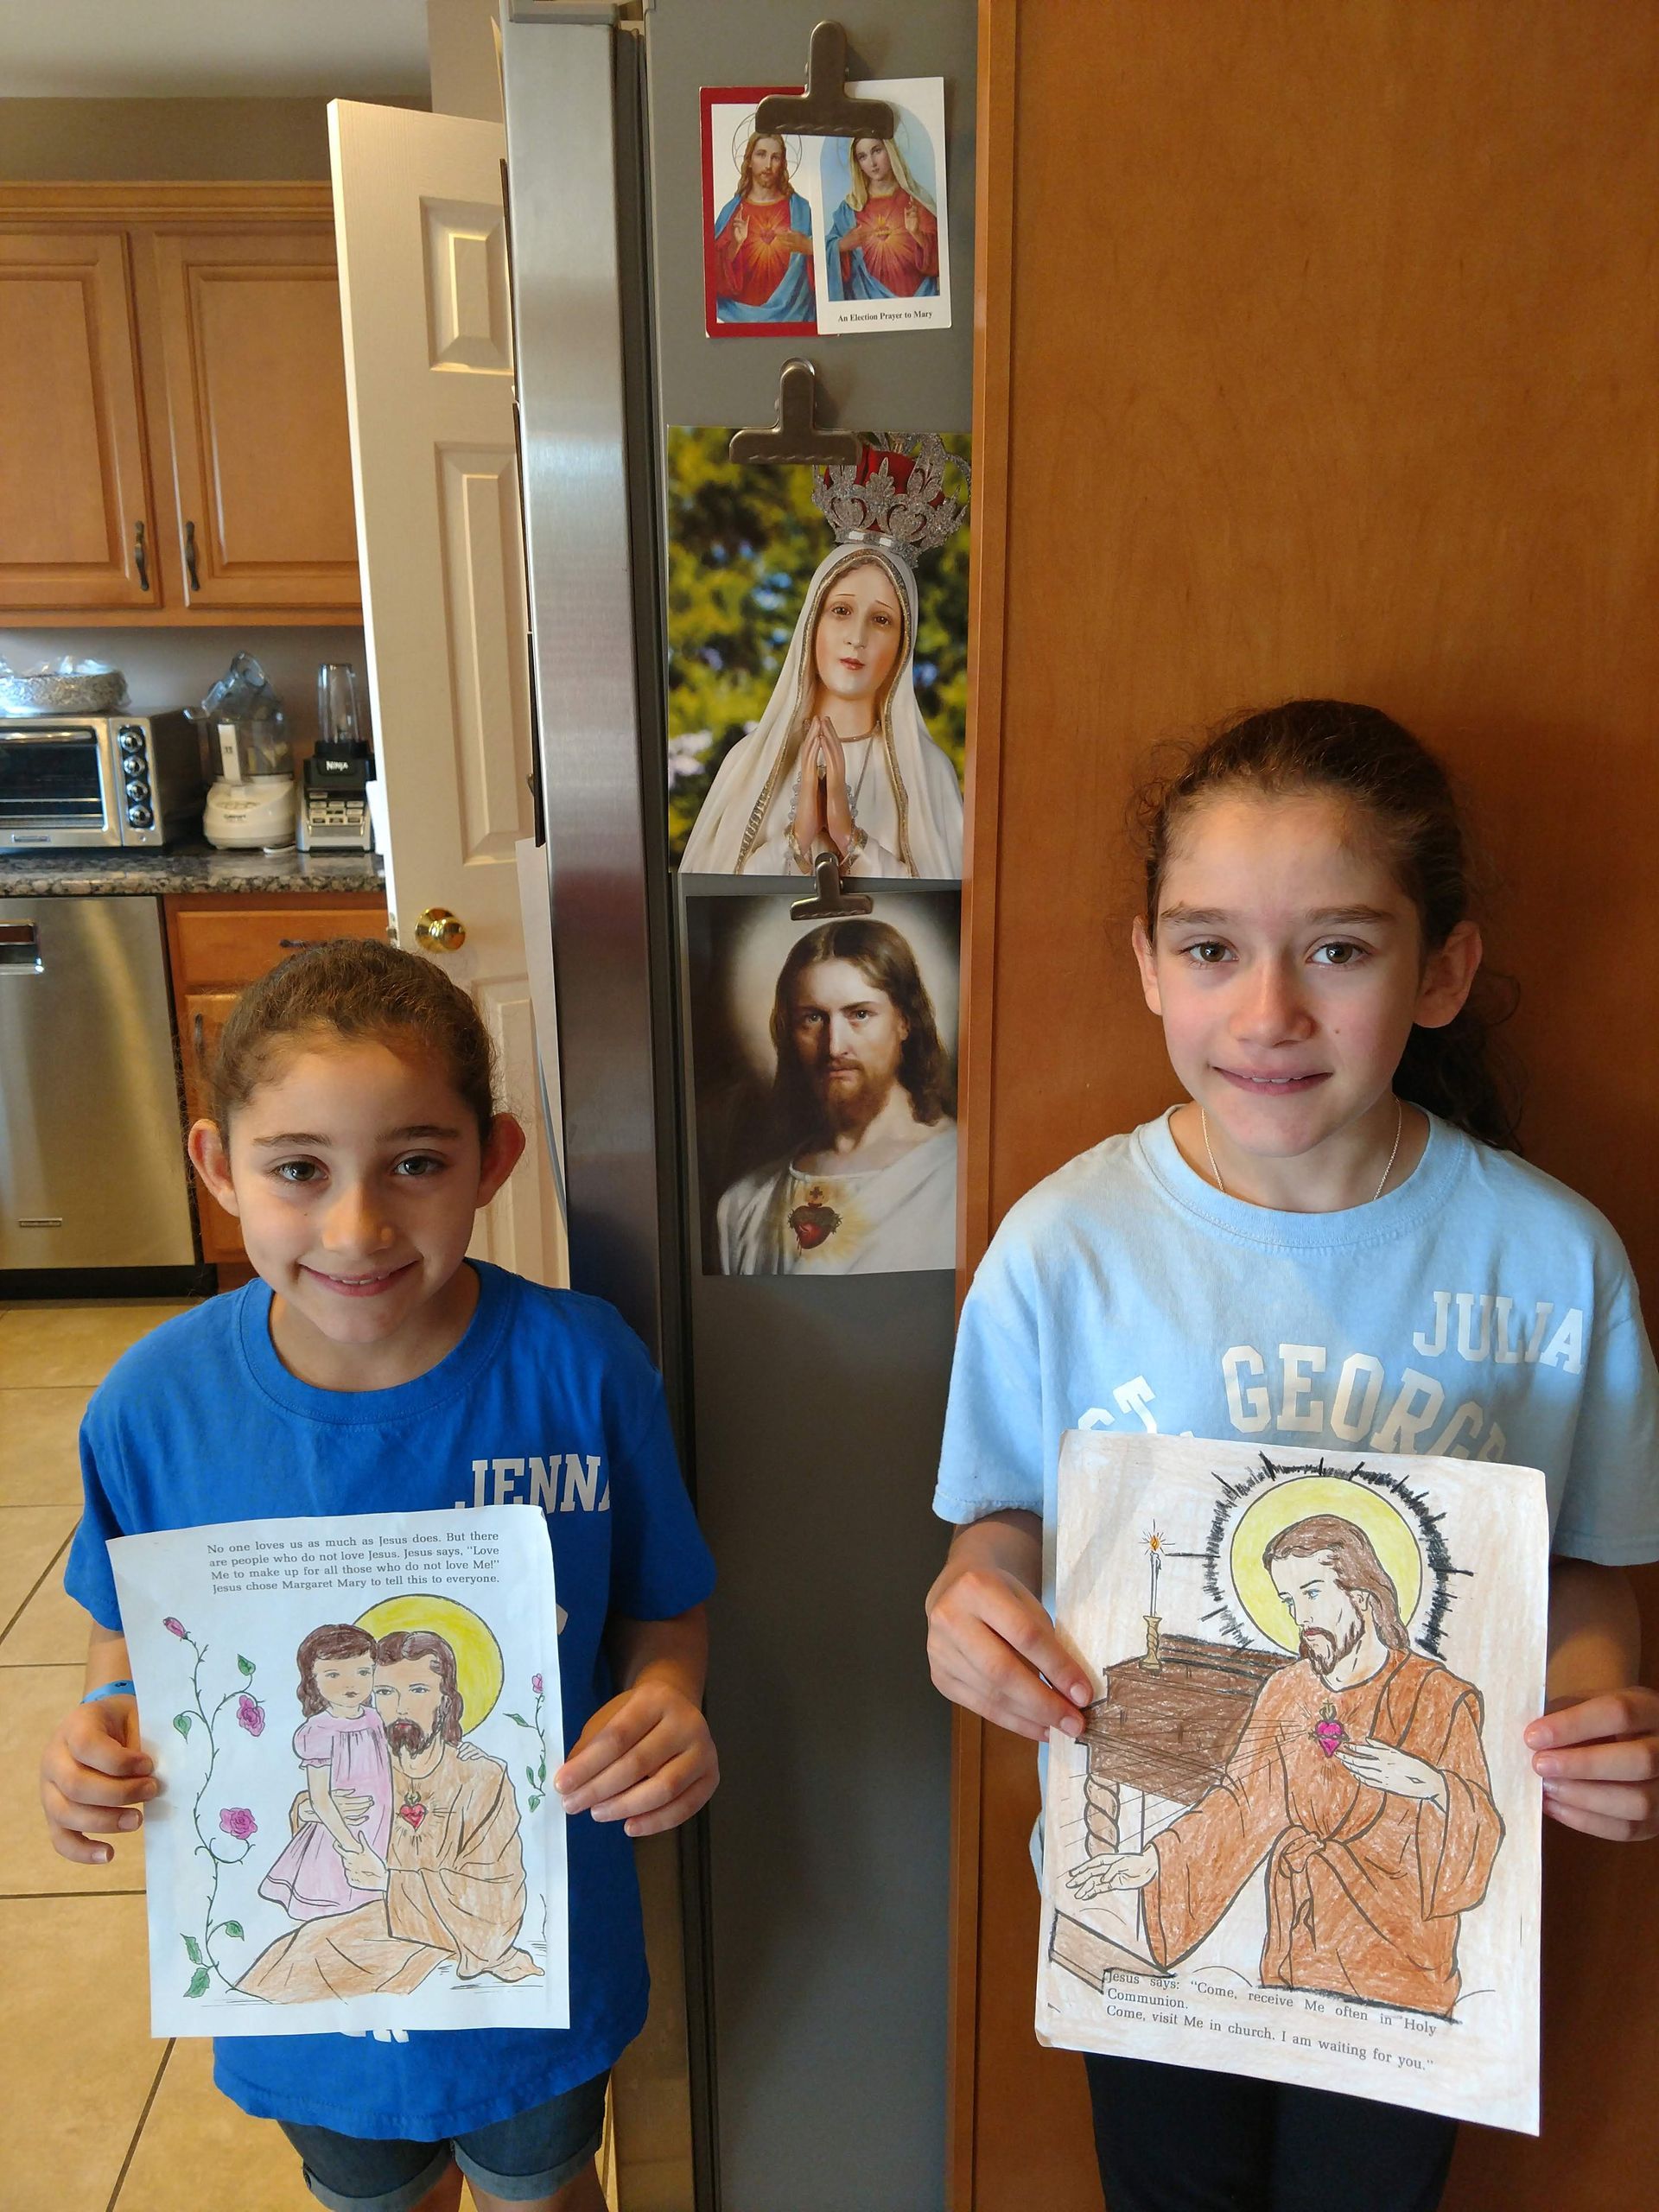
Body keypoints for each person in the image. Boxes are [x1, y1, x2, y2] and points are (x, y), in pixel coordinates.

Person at [925, 700, 1659, 2212]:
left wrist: (1591, 1708)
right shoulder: (1065, 1249)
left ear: (1439, 970)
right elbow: (998, 1527)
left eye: (1337, 948)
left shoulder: (1550, 1260)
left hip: (1408, 1934)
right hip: (1152, 1930)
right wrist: (971, 1610)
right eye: (1209, 948)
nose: (1267, 1014)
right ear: (1146, 962)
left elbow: (1584, 1568)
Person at [39, 938, 717, 2212]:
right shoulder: (152, 1409)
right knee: (368, 2194)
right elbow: (123, 1645)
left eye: (416, 1164)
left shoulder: (583, 1370)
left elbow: (660, 1604)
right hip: (312, 2009)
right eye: (298, 1170)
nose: (357, 1226)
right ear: (218, 1171)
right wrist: (104, 1732)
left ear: (493, 1161)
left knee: (543, 2185)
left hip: (533, 1962)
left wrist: (670, 1696)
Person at [1069, 1515, 1502, 2018]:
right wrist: (1152, 1861)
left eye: (1313, 1594)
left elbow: (1483, 1827)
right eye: (1290, 1601)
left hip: (1399, 1959)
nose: (1301, 1617)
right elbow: (1240, 1804)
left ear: (1361, 1592)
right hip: (1300, 1946)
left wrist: (1432, 1785)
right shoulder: (1288, 1690)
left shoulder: (1438, 1698)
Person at [244, 1630, 540, 1999]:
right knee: (288, 1961)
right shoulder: (367, 1761)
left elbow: (494, 1899)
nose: (399, 1707)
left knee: (312, 1960)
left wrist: (387, 1881)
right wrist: (309, 1808)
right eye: (385, 1692)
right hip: (357, 1918)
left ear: (445, 1700)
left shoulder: (480, 1777)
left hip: (439, 1935)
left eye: (417, 1690)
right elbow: (321, 1809)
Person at [679, 540, 963, 878]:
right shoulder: (749, 762)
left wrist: (850, 838)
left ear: (903, 645)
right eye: (841, 611)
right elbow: (710, 908)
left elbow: (946, 917)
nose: (857, 637)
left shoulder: (928, 773)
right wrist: (795, 839)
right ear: (813, 624)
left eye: (881, 619)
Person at [715, 917, 957, 1275]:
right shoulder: (745, 1204)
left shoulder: (958, 1173)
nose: (834, 1046)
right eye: (813, 1019)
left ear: (904, 1021)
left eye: (860, 1014)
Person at [258, 1622, 395, 1923]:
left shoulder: (376, 1718)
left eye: (363, 1672)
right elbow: (320, 1799)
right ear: (313, 1680)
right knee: (339, 1910)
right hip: (340, 1833)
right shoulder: (318, 1731)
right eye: (334, 1674)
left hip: (380, 1825)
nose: (352, 1684)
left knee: (377, 1910)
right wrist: (352, 1847)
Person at [709, 128, 814, 326]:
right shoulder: (732, 212)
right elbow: (711, 277)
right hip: (739, 318)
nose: (768, 165)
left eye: (775, 157)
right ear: (749, 161)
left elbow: (820, 274)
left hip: (794, 316)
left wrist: (809, 247)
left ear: (782, 163)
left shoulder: (801, 210)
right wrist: (734, 246)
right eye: (761, 155)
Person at [825, 133, 940, 302]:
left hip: (918, 303)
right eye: (863, 157)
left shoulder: (916, 200)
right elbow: (824, 263)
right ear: (857, 164)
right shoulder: (850, 209)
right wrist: (842, 245)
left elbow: (942, 262)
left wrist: (917, 234)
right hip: (867, 309)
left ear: (890, 150)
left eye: (877, 151)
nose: (872, 163)